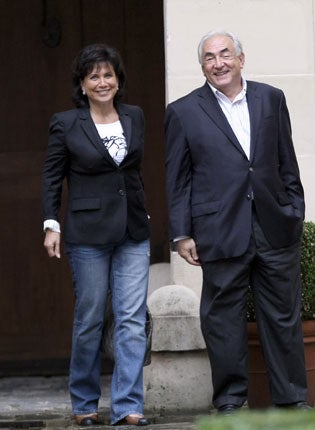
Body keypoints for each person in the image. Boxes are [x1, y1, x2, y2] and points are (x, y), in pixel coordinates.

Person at [165, 29, 311, 414]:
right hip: (219, 229)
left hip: (274, 225)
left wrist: (294, 209)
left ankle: (293, 399)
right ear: (202, 67)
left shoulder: (271, 99)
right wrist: (182, 234)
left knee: (282, 316)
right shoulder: (183, 111)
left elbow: (286, 160)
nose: (219, 63)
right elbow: (177, 179)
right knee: (223, 320)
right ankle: (230, 402)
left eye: (225, 54)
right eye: (210, 58)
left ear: (241, 59)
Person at [42, 43, 151, 427]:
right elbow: (52, 176)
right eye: (94, 76)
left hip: (133, 231)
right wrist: (50, 223)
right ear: (83, 84)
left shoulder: (135, 116)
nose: (102, 82)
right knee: (89, 317)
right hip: (87, 234)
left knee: (132, 319)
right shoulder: (67, 123)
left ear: (118, 81)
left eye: (108, 75)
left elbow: (133, 173)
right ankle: (84, 402)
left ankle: (128, 407)